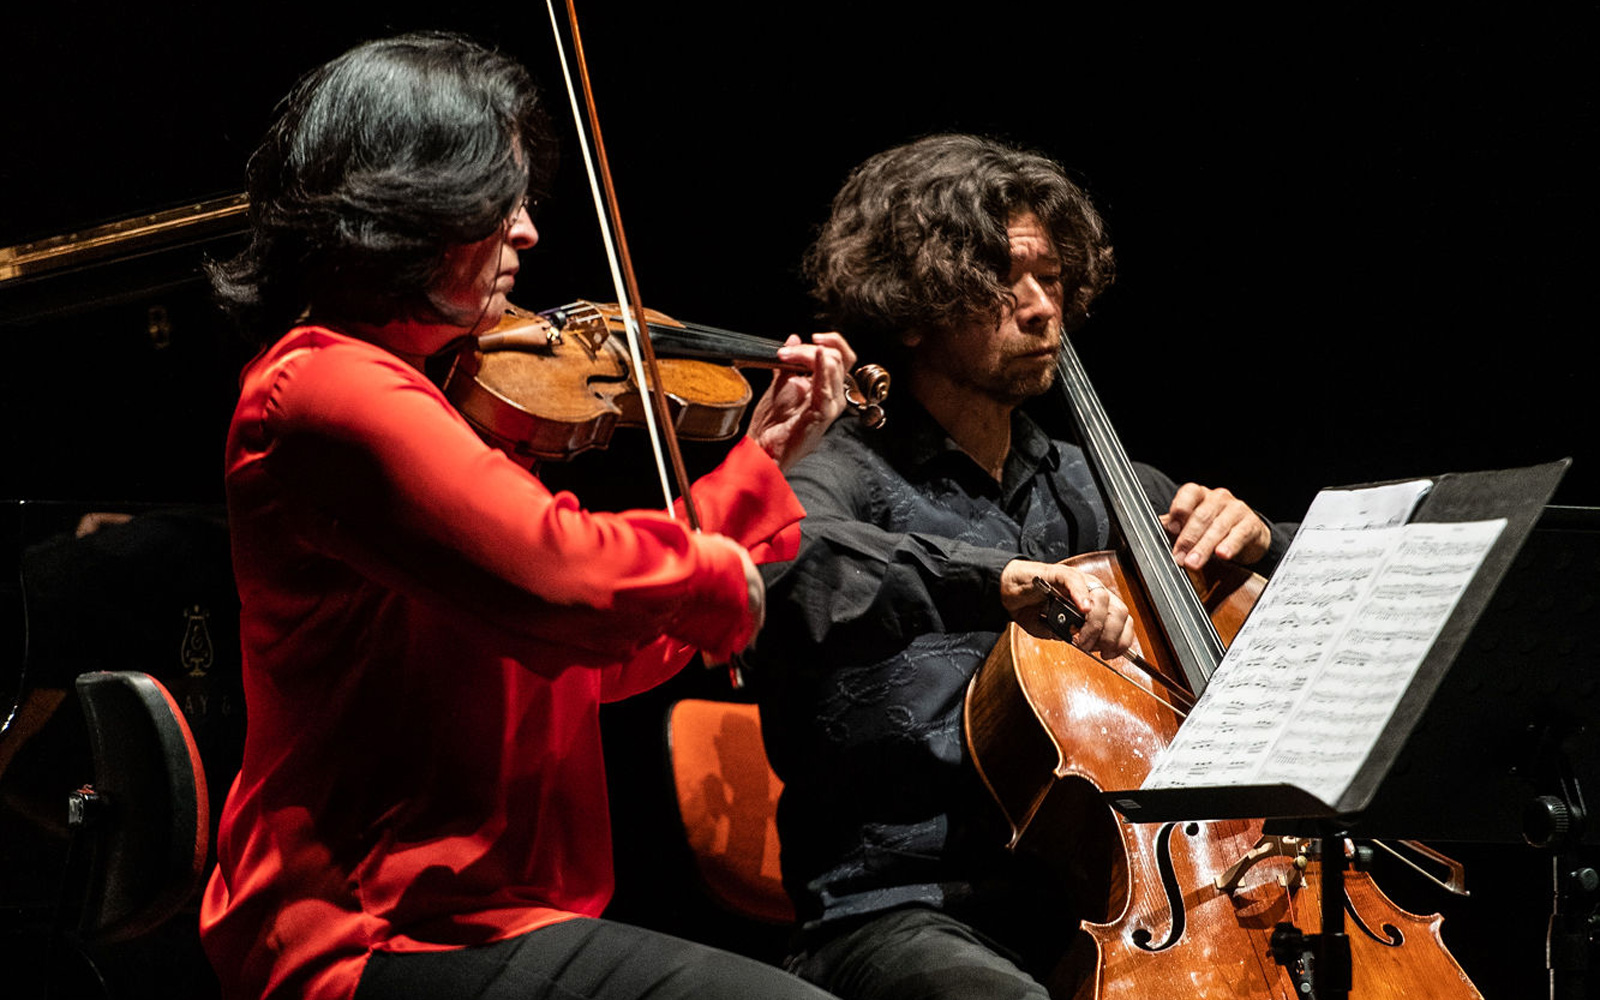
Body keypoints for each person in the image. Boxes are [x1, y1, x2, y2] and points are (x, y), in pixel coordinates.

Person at [198, 33, 847, 1000]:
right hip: (376, 934)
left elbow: (595, 654)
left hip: (492, 920)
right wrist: (709, 573)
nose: (530, 232)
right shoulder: (323, 388)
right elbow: (567, 578)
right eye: (498, 200)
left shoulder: (432, 399)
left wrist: (761, 465)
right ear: (407, 196)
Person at [744, 134, 1295, 1000]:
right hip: (903, 911)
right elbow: (783, 564)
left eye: (1052, 278)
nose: (1042, 310)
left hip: (1117, 899)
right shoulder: (838, 472)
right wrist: (997, 579)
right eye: (1003, 282)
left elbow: (1304, 594)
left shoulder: (1098, 486)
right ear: (915, 304)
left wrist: (1264, 541)